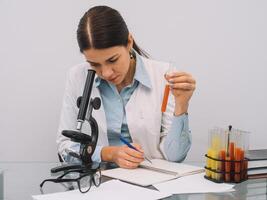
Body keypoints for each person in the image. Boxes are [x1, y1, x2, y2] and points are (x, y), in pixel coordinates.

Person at [56, 5, 196, 169]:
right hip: (99, 185)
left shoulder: (164, 75)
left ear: (129, 42)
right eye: (95, 64)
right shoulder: (77, 76)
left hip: (152, 185)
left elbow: (175, 156)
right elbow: (64, 147)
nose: (106, 73)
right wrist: (108, 153)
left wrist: (182, 105)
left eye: (112, 60)